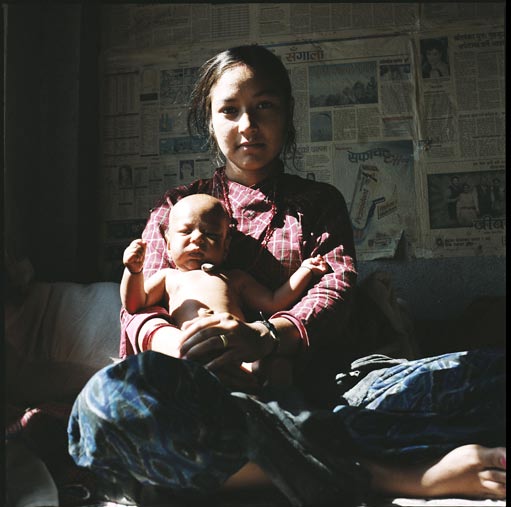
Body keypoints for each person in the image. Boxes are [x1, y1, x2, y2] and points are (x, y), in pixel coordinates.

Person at [68, 45, 506, 504]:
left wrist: (265, 337)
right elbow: (139, 309)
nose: (248, 125)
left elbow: (335, 290)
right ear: (210, 120)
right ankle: (390, 475)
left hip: (327, 387)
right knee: (104, 404)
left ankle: (266, 460)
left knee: (488, 375)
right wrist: (188, 346)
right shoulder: (175, 207)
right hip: (206, 391)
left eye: (264, 107)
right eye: (230, 110)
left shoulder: (318, 203)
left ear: (287, 114)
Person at [121, 193, 328, 382]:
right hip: (189, 351)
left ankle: (267, 399)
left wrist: (305, 271)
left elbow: (275, 301)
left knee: (278, 367)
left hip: (236, 352)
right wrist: (133, 272)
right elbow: (134, 304)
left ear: (226, 246)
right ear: (167, 244)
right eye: (185, 231)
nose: (197, 239)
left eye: (211, 234)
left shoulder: (234, 278)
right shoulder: (168, 277)